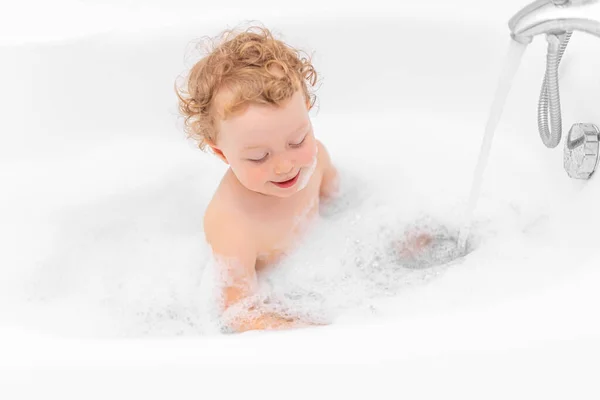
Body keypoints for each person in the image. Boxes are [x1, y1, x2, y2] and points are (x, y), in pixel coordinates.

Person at [176, 25, 339, 332]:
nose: (284, 166)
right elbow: (238, 313)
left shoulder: (316, 158)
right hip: (281, 293)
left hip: (324, 263)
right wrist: (307, 330)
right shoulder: (231, 223)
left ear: (307, 111)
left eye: (297, 141)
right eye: (259, 157)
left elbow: (340, 203)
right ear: (222, 154)